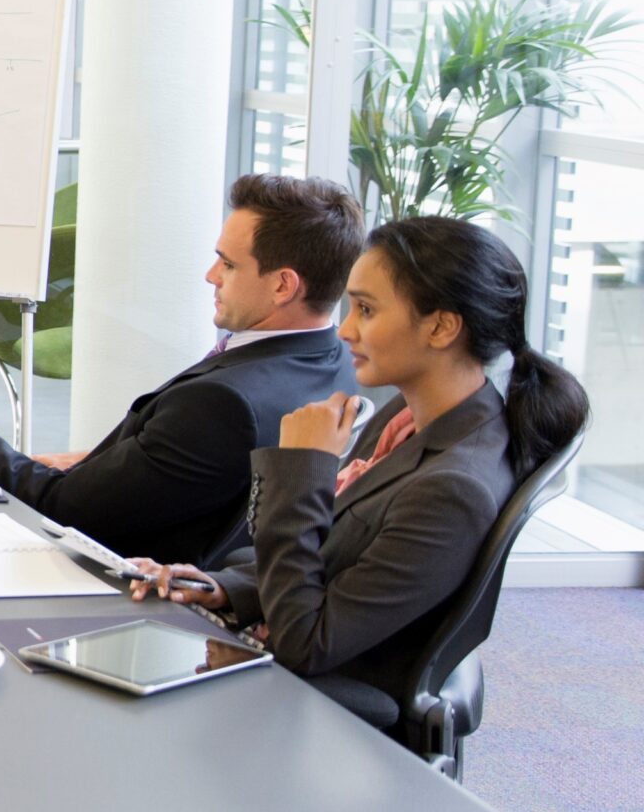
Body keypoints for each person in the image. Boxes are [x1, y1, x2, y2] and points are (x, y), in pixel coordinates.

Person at [131, 216, 586, 707]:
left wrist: (300, 466)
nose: (345, 329)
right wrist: (222, 587)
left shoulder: (454, 490)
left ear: (441, 326)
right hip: (273, 648)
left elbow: (306, 643)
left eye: (366, 309)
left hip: (315, 702)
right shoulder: (411, 418)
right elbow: (334, 561)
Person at [0, 174, 364, 565]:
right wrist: (108, 465)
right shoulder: (338, 364)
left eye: (228, 264)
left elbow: (64, 507)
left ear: (284, 285)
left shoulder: (222, 404)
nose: (211, 275)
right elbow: (199, 474)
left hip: (112, 578)